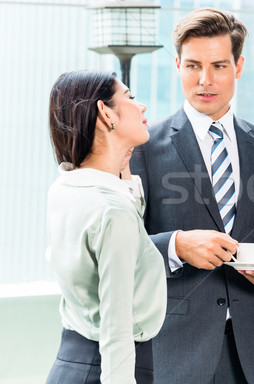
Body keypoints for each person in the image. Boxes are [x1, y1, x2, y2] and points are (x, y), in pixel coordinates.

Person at [130, 7, 254, 384]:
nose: (204, 80)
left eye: (219, 66)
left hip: (250, 353)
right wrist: (176, 246)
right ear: (176, 64)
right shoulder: (141, 148)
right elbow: (122, 248)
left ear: (238, 66)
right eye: (193, 65)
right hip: (172, 351)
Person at [45, 70, 167, 383]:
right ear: (105, 112)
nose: (141, 108)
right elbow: (116, 330)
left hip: (70, 361)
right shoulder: (114, 211)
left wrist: (121, 167)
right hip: (111, 369)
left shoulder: (66, 188)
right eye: (130, 98)